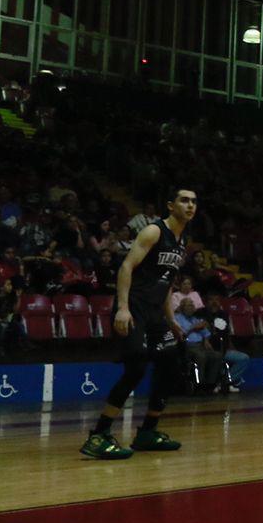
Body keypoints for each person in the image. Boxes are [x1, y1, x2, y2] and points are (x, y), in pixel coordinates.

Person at [80, 186, 196, 460]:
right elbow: (126, 267)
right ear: (171, 205)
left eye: (193, 202)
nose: (190, 205)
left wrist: (172, 321)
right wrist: (122, 308)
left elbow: (167, 284)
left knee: (171, 366)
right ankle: (99, 434)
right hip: (134, 310)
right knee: (137, 368)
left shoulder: (182, 241)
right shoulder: (155, 231)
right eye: (184, 200)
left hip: (156, 314)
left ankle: (147, 432)